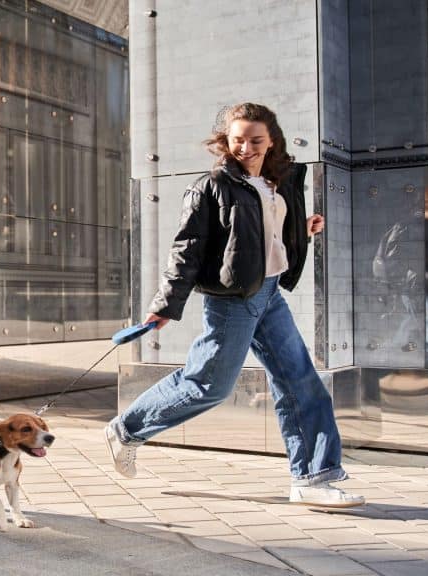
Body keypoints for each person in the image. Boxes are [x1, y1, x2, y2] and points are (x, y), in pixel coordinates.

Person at [104, 103, 364, 508]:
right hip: (233, 301)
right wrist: (165, 305)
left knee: (300, 381)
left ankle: (313, 477)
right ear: (226, 141)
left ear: (271, 140)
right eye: (237, 139)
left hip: (270, 293)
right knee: (209, 384)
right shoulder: (211, 187)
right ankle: (126, 429)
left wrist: (302, 227)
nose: (246, 147)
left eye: (256, 140)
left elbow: (267, 235)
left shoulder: (278, 181)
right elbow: (186, 251)